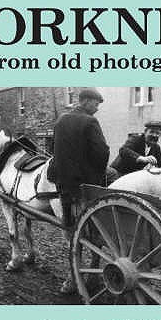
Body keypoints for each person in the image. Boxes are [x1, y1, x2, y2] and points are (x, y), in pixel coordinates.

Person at [49, 88, 110, 293]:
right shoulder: (89, 122)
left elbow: (55, 151)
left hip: (65, 186)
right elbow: (102, 152)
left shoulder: (60, 121)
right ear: (85, 101)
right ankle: (87, 274)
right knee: (91, 231)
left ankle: (72, 278)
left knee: (70, 232)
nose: (98, 108)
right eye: (96, 103)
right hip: (86, 187)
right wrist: (97, 171)